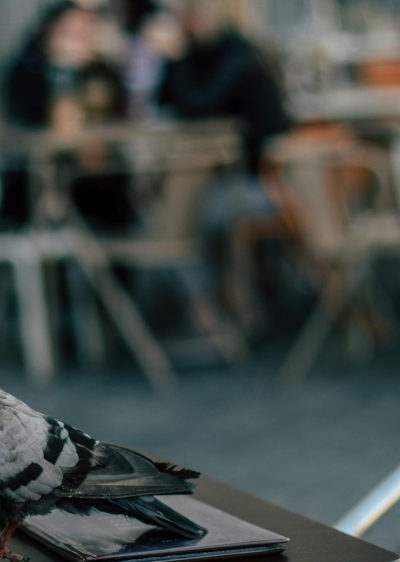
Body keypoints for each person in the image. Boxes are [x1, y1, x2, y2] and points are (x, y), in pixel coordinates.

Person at [155, 0, 291, 334]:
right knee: (175, 212)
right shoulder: (210, 53)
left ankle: (209, 313)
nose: (182, 23)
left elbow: (196, 106)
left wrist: (175, 56)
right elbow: (164, 100)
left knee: (169, 220)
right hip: (233, 176)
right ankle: (230, 303)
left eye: (186, 16)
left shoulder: (237, 56)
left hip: (266, 183)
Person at [0, 1, 133, 229]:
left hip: (92, 179)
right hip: (33, 176)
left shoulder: (102, 73)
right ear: (51, 33)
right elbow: (27, 120)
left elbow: (117, 116)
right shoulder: (26, 71)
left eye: (86, 32)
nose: (78, 40)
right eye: (70, 32)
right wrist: (64, 74)